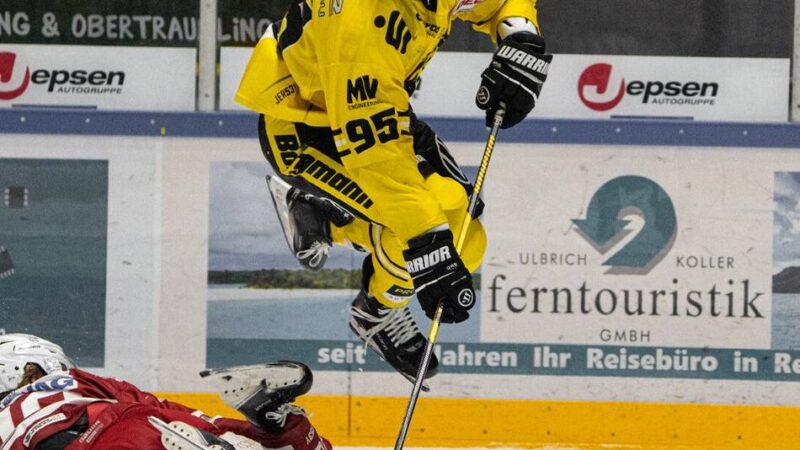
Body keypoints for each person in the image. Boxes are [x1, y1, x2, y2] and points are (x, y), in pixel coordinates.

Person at [236, 0, 551, 382]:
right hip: (306, 130)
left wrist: (519, 35)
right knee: (425, 235)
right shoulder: (359, 22)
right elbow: (379, 163)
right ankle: (375, 307)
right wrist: (428, 248)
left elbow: (497, 3)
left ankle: (319, 222)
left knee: (465, 233)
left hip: (377, 111)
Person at [0, 333, 330, 450]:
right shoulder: (78, 382)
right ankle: (277, 427)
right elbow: (167, 409)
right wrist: (253, 430)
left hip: (94, 438)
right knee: (183, 427)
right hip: (128, 428)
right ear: (32, 365)